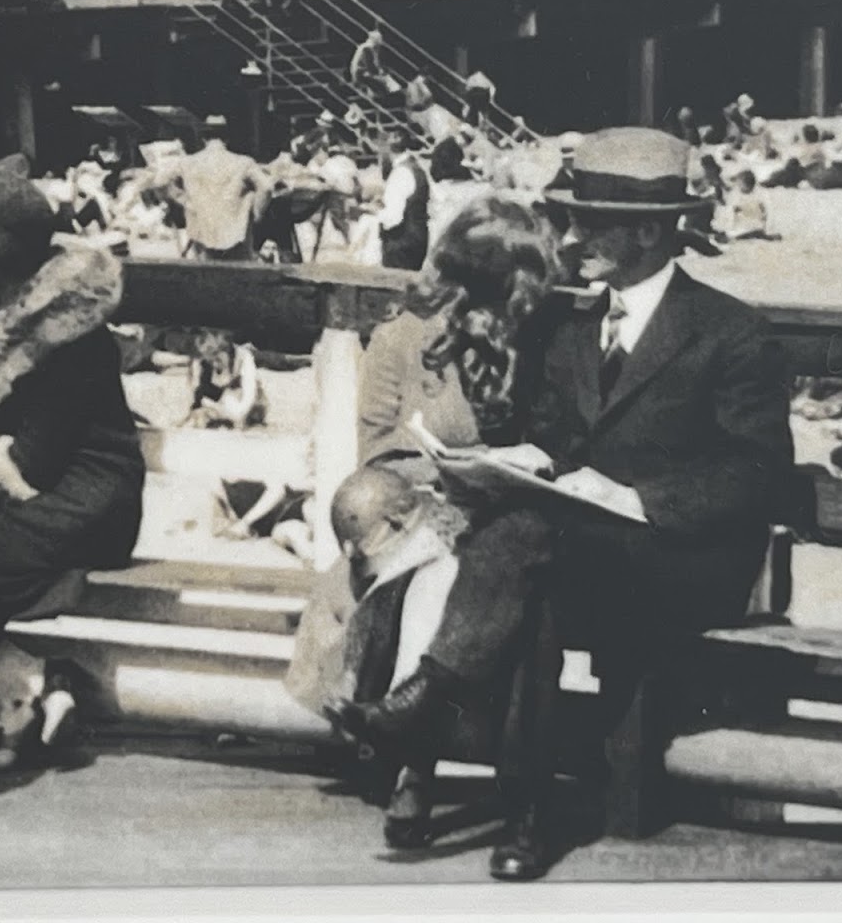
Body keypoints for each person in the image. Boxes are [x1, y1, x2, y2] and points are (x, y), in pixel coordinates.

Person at [332, 128, 794, 879]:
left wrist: (633, 496)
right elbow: (547, 432)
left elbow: (757, 474)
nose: (572, 239)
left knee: (528, 547)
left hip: (681, 557)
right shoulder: (568, 327)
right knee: (535, 569)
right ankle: (525, 814)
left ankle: (436, 704)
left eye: (591, 223)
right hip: (575, 549)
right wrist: (524, 458)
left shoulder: (732, 334)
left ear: (647, 232)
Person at [292, 196, 561, 845]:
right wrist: (443, 476)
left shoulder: (529, 331)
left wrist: (505, 466)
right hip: (416, 504)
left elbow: (551, 434)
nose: (498, 303)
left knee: (452, 568)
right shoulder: (403, 335)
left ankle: (414, 761)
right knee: (429, 565)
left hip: (502, 513)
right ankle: (416, 762)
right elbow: (377, 450)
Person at [0, 155, 145, 752]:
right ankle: (45, 682)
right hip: (37, 505)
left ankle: (42, 683)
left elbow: (29, 465)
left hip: (89, 502)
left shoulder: (64, 336)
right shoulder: (5, 320)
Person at [176, 117, 271, 260]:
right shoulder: (244, 163)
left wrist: (182, 199)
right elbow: (267, 187)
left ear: (203, 138)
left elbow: (160, 181)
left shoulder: (187, 163)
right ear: (227, 139)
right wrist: (257, 213)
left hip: (201, 234)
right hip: (235, 236)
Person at [377, 138, 431, 272]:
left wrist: (375, 214)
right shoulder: (416, 168)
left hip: (401, 241)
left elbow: (393, 218)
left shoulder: (400, 173)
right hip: (417, 237)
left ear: (388, 149)